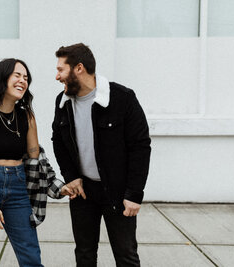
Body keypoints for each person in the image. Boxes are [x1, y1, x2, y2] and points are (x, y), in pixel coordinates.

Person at [0, 58, 72, 267]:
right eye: (17, 75)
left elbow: (36, 157)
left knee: (31, 257)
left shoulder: (26, 116)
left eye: (26, 78)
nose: (23, 80)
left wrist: (58, 187)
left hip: (18, 188)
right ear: (2, 79)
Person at [52, 43, 151, 267]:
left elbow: (140, 146)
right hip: (83, 192)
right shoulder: (63, 101)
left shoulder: (122, 98)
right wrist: (71, 176)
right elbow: (58, 139)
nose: (57, 76)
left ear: (78, 68)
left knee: (126, 255)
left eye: (61, 70)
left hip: (117, 191)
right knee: (84, 254)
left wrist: (134, 193)